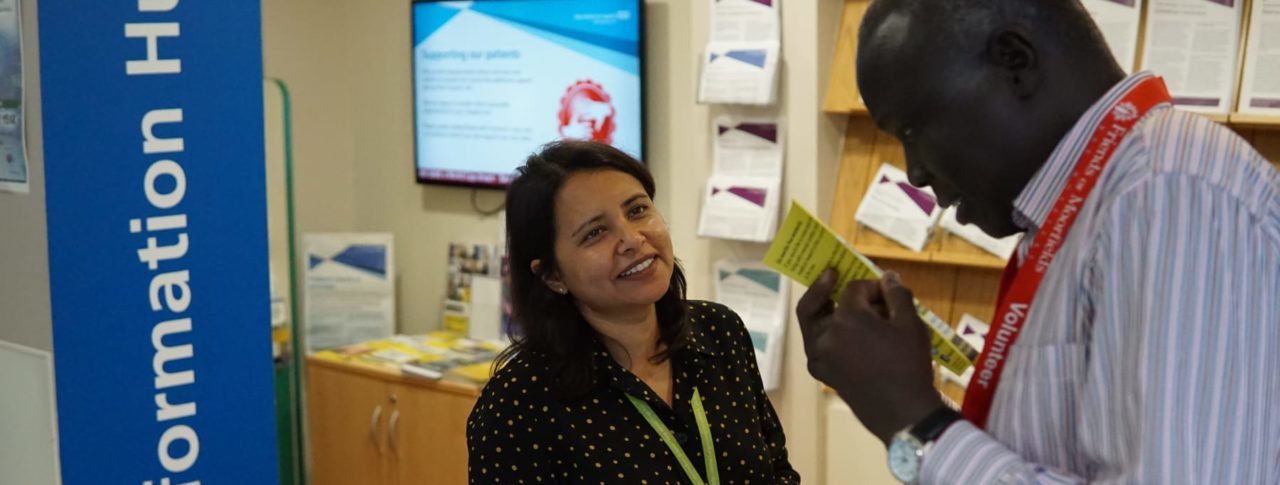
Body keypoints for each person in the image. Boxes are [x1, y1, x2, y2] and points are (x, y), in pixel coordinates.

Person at [797, 0, 1280, 483]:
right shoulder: (1094, 208)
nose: (916, 172)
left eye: (912, 129)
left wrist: (917, 421)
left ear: (1015, 62)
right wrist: (897, 396)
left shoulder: (1171, 194)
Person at [467, 140, 801, 484]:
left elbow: (777, 471)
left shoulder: (721, 331)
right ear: (553, 275)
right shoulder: (518, 404)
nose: (631, 238)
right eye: (595, 233)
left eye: (638, 210)